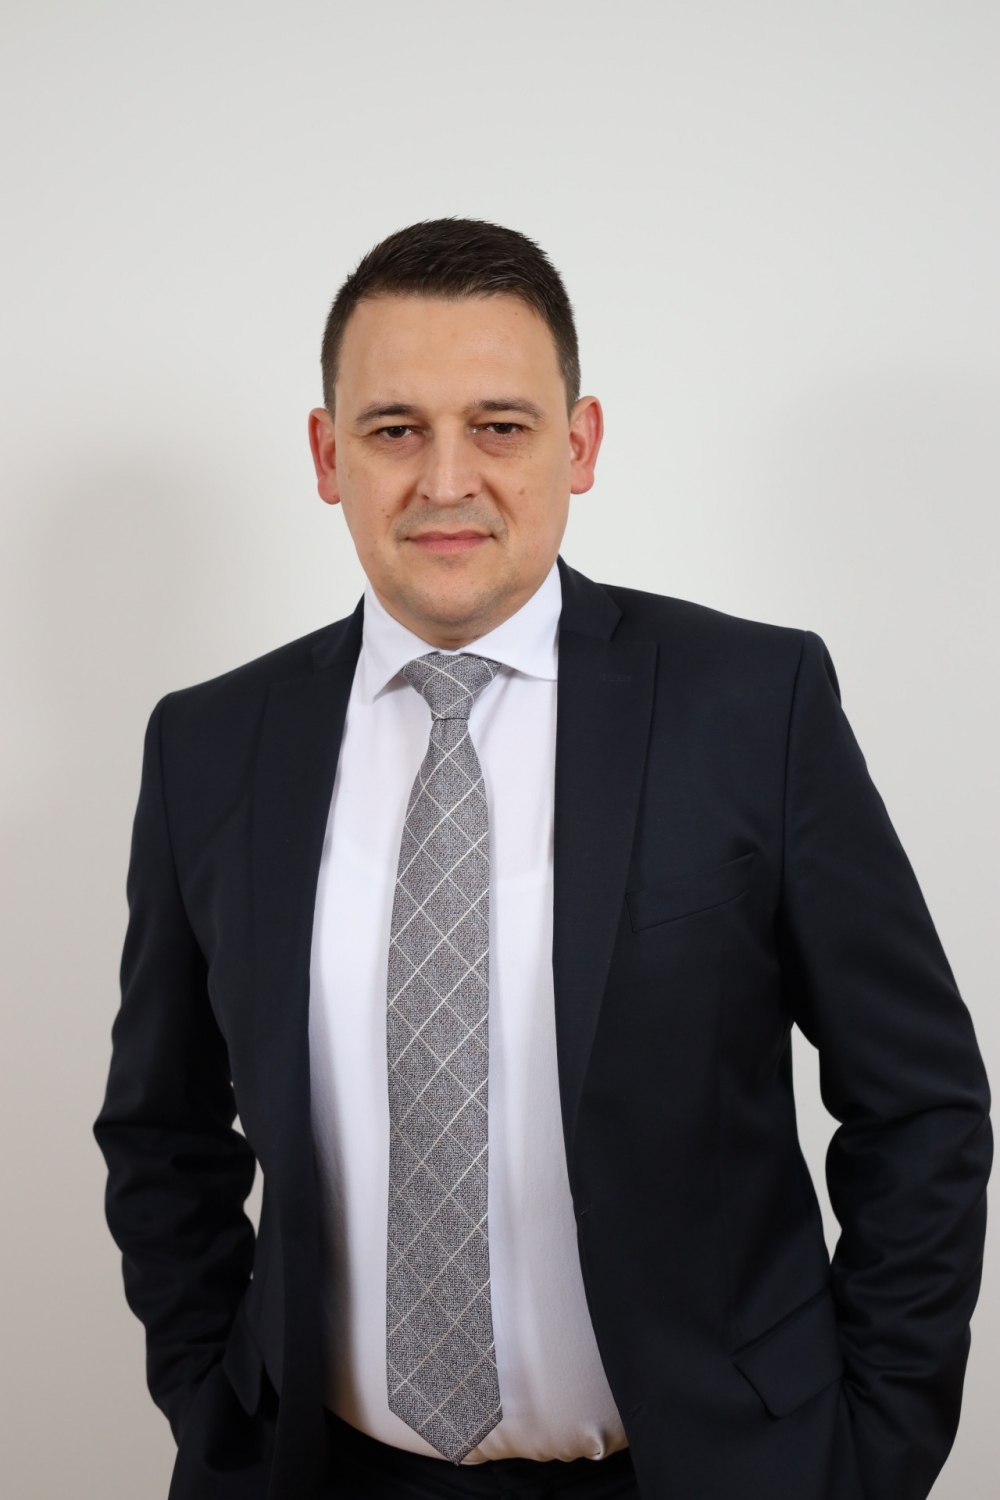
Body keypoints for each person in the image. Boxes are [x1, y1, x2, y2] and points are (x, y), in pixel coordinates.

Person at [95, 219, 991, 1500]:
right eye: (394, 429)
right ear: (328, 455)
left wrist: (871, 1449)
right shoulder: (210, 745)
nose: (445, 479)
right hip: (325, 1472)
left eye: (499, 426)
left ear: (579, 445)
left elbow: (918, 1104)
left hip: (704, 1472)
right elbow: (162, 1127)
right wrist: (213, 1406)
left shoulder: (750, 705)